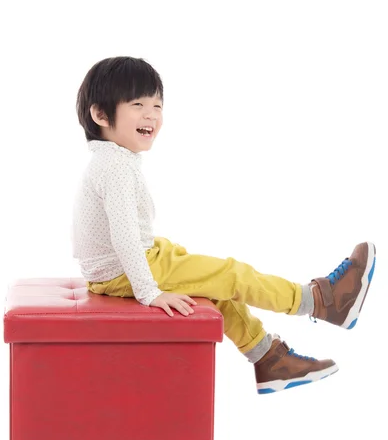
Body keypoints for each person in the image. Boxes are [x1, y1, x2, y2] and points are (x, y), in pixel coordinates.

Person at [71, 56, 376, 395]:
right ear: (100, 115)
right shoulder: (115, 167)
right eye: (137, 104)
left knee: (215, 285)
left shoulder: (110, 159)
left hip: (119, 267)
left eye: (157, 105)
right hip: (123, 272)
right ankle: (321, 301)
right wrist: (149, 292)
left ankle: (268, 358)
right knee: (232, 275)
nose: (151, 115)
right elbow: (124, 236)